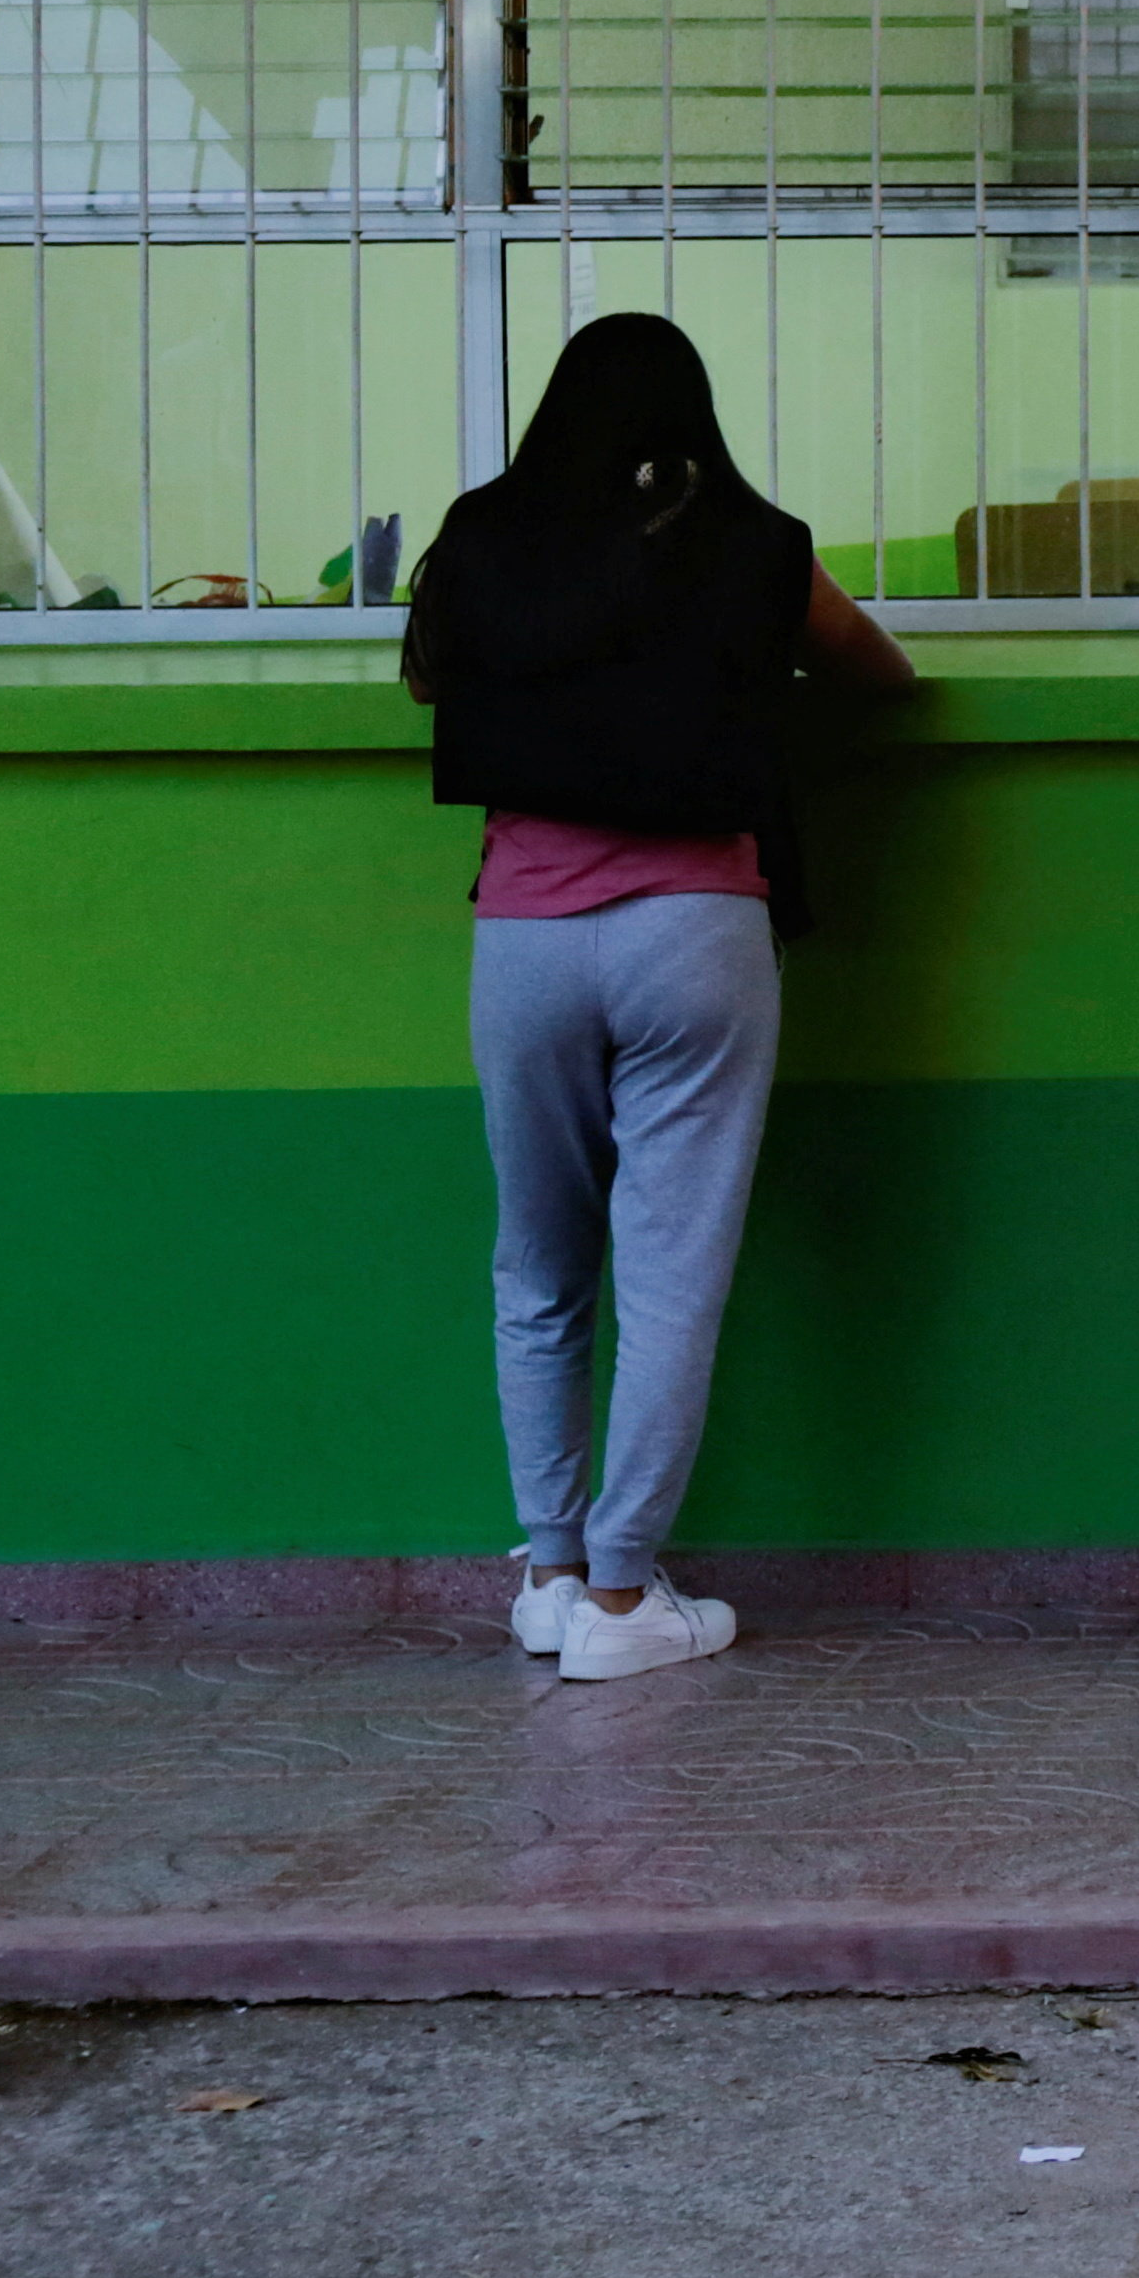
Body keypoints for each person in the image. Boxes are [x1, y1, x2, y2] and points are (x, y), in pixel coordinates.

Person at [406, 312, 915, 1686]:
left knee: (539, 1263)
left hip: (525, 934)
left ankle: (551, 1573)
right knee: (672, 1272)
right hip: (696, 931)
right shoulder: (755, 544)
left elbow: (429, 676)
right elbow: (880, 671)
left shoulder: (483, 534)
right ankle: (628, 1606)